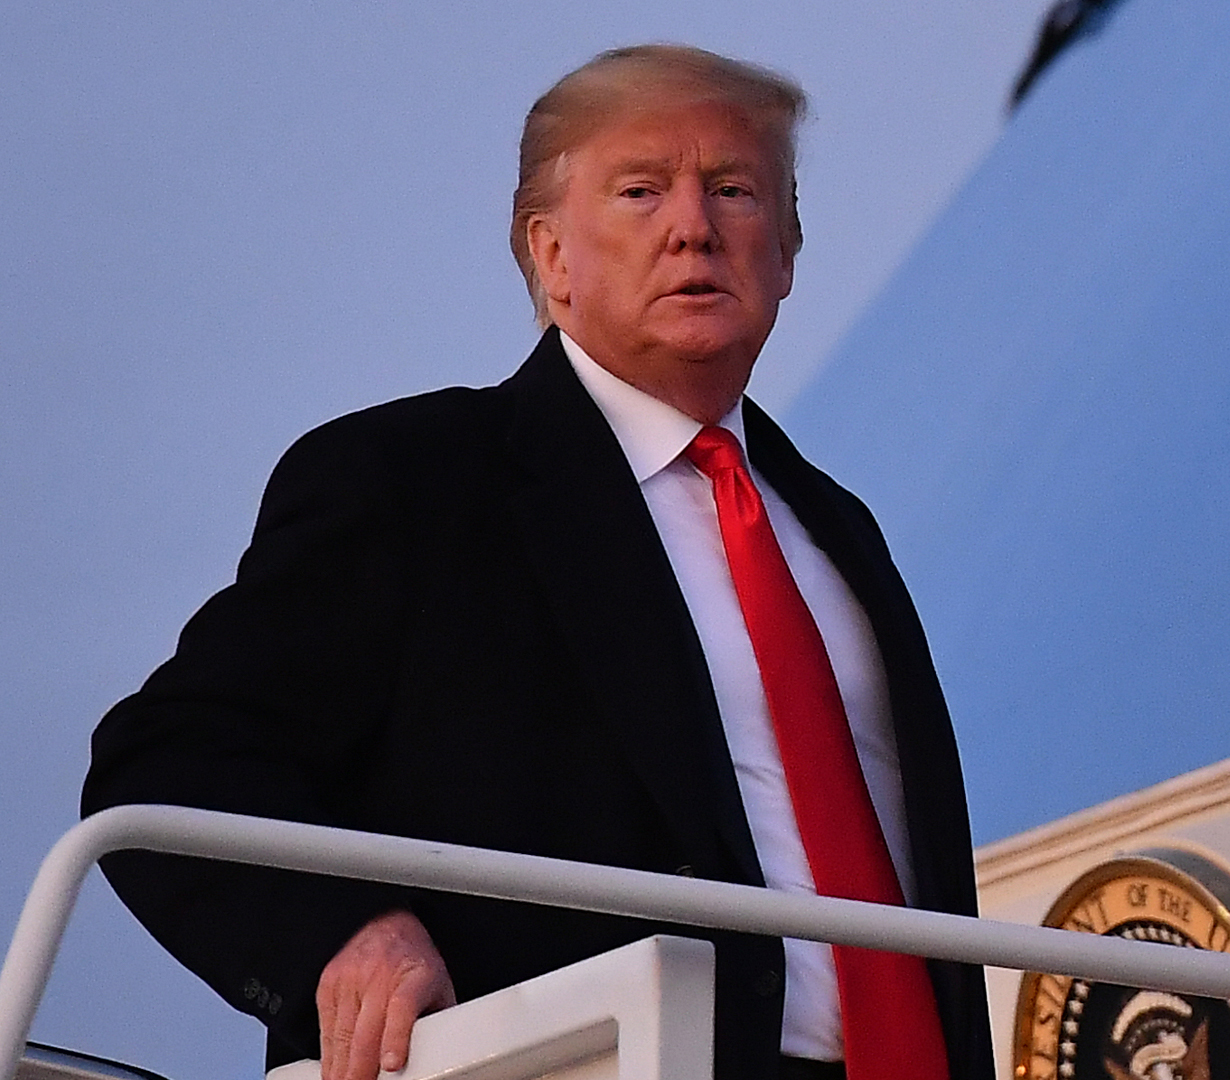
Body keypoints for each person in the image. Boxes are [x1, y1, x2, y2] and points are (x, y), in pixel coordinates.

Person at [80, 44, 990, 1080]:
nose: (693, 226)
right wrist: (340, 932)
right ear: (550, 256)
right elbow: (169, 764)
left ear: (785, 250)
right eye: (641, 191)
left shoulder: (837, 532)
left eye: (733, 191)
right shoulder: (416, 482)